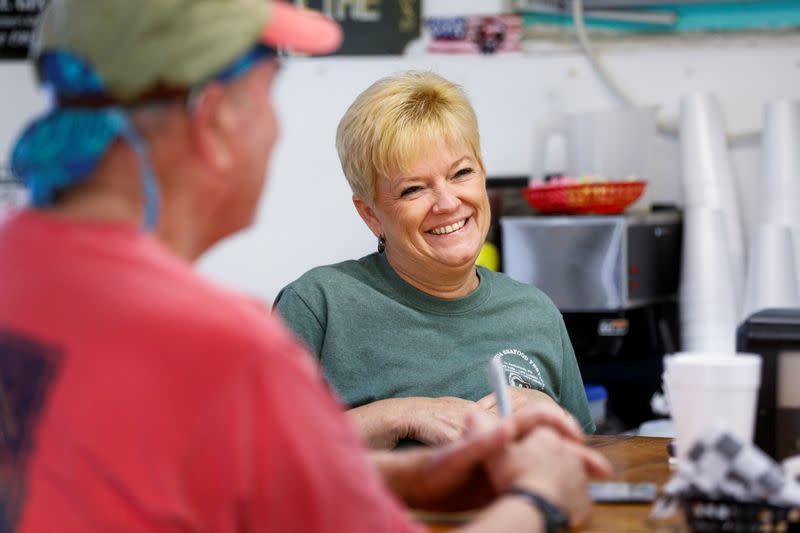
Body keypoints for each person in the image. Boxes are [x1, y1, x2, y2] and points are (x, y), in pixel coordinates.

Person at [0, 1, 610, 532]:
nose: (274, 129)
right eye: (268, 95)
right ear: (216, 122)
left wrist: (417, 476)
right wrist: (539, 498)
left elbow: (226, 482)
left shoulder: (18, 277)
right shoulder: (218, 347)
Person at [275, 71, 595, 449]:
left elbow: (587, 467)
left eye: (461, 173)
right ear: (371, 214)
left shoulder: (535, 312)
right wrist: (396, 415)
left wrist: (552, 416)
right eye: (413, 189)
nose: (447, 203)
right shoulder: (317, 307)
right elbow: (256, 458)